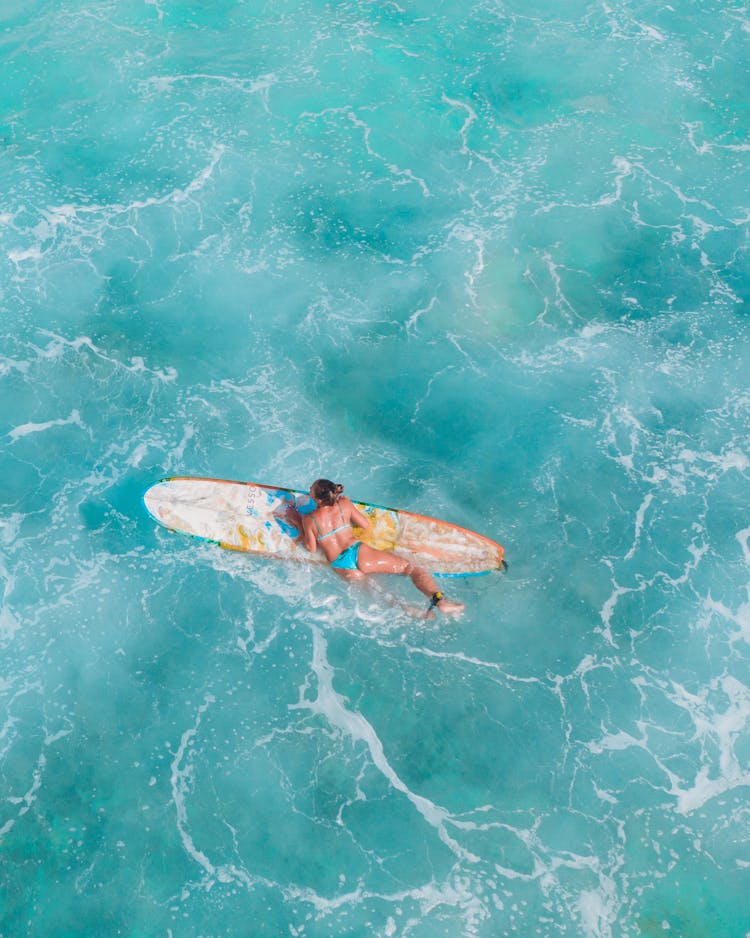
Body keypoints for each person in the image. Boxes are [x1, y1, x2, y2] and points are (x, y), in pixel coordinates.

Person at [296, 478, 464, 616]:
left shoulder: (309, 519)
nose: (309, 488)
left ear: (317, 499)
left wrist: (297, 519)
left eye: (311, 488)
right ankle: (440, 601)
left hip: (342, 565)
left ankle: (413, 612)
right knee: (410, 569)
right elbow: (364, 524)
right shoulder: (344, 504)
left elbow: (310, 548)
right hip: (360, 552)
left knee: (381, 596)